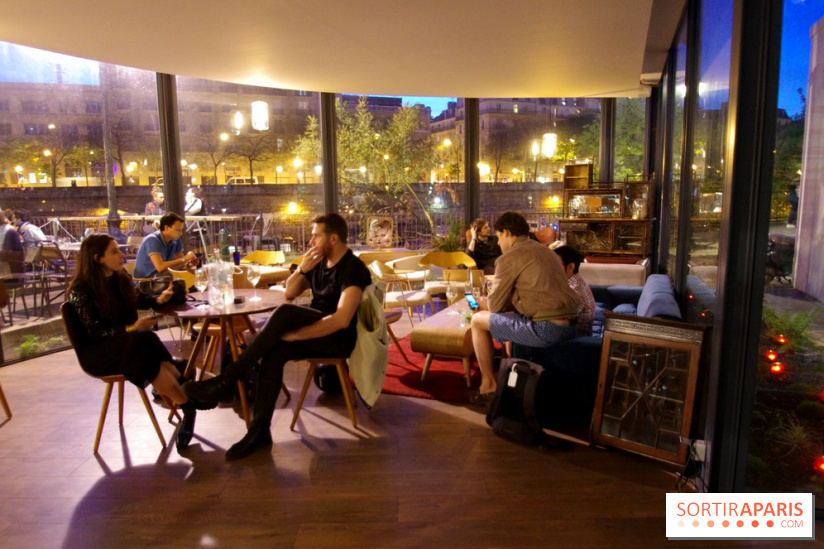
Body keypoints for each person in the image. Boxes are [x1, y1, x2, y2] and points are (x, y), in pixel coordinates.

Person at [184, 213, 372, 460]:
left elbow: (342, 319)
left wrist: (296, 336)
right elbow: (290, 292)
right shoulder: (317, 262)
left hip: (339, 338)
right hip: (317, 332)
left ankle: (228, 380)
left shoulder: (352, 269)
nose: (312, 241)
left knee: (284, 315)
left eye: (316, 235)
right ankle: (259, 432)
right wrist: (303, 269)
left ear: (334, 238)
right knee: (273, 353)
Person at [66, 234, 213, 450]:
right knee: (145, 340)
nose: (122, 254)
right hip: (98, 353)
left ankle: (187, 405)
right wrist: (133, 328)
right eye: (114, 251)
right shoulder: (81, 289)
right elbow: (96, 332)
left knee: (146, 349)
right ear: (98, 258)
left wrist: (159, 299)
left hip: (129, 346)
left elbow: (140, 299)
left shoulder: (118, 278)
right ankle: (187, 391)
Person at [468, 211, 581, 404]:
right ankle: (506, 369)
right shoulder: (546, 251)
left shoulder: (509, 257)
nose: (497, 243)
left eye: (499, 237)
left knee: (478, 321)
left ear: (507, 232)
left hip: (548, 329)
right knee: (508, 315)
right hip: (572, 325)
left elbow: (495, 306)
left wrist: (485, 303)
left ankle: (488, 385)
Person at [132, 212, 196, 279]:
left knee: (193, 273)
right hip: (146, 281)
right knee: (179, 278)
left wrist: (189, 264)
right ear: (166, 227)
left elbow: (181, 263)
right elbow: (160, 267)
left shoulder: (176, 240)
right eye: (178, 230)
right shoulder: (152, 240)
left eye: (181, 230)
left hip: (161, 277)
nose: (181, 233)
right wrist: (184, 258)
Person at [552, 245, 596, 337]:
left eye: (556, 264)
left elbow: (559, 318)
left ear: (571, 267)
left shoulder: (574, 288)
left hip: (576, 341)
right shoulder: (570, 282)